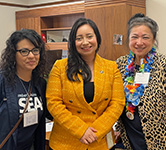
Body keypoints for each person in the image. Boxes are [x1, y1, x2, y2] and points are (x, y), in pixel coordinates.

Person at [46, 18, 125, 150]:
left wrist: (95, 132)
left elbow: (117, 103)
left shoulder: (111, 68)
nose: (85, 42)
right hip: (66, 142)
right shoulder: (60, 67)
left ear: (97, 38)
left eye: (89, 36)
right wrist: (81, 130)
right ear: (73, 42)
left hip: (100, 142)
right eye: (79, 38)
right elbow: (53, 103)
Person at [116, 13, 166, 150]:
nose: (139, 42)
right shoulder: (120, 65)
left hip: (159, 143)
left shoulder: (163, 65)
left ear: (153, 39)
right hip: (130, 141)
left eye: (145, 37)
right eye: (134, 37)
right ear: (128, 39)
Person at [0, 28, 49, 150]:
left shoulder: (40, 84)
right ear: (13, 54)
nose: (31, 56)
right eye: (24, 51)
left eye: (35, 50)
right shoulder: (2, 81)